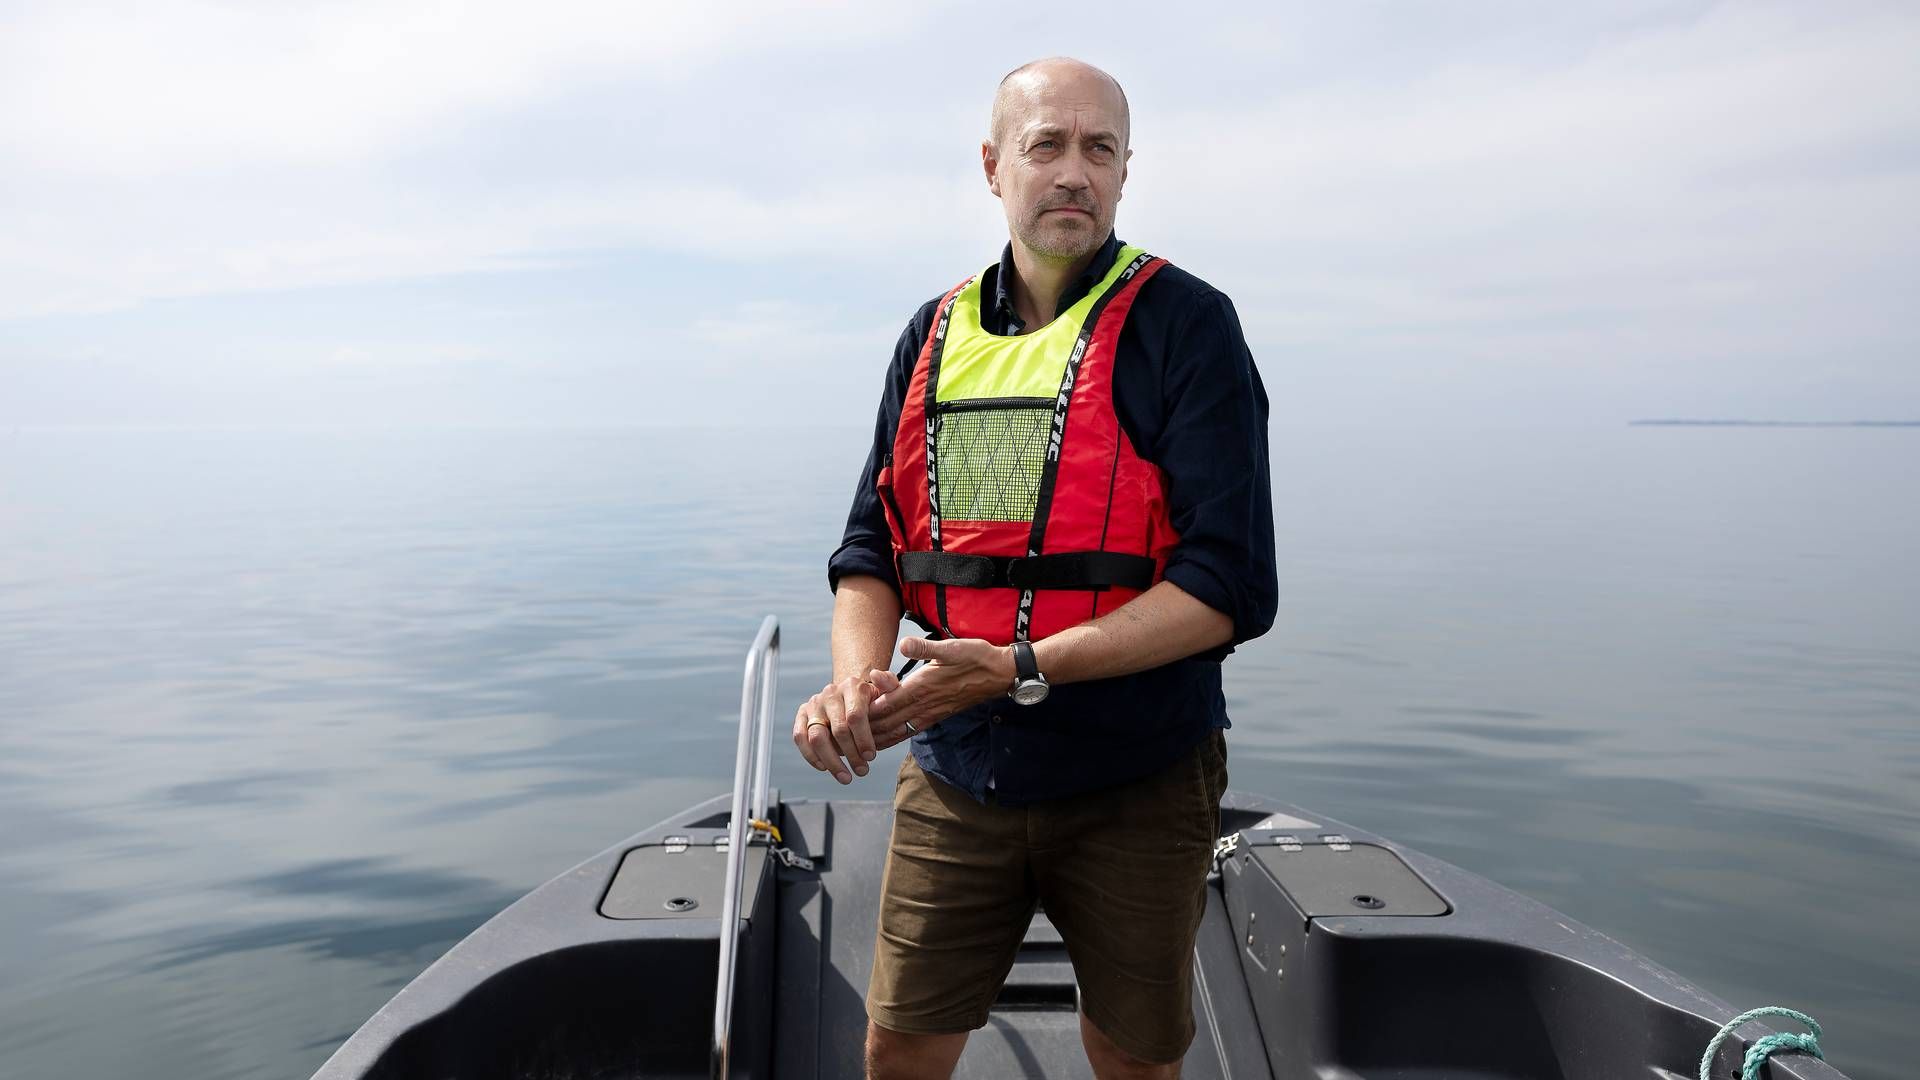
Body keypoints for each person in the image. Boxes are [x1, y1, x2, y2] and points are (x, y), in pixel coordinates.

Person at [796, 56, 1276, 1080]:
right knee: (900, 1043)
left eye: (1099, 149)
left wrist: (1023, 665)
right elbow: (871, 551)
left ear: (1125, 171)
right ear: (992, 166)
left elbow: (1231, 584)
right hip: (958, 764)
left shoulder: (1187, 327)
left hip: (1140, 775)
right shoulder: (930, 336)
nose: (1074, 172)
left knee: (1133, 1052)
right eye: (1046, 144)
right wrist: (854, 684)